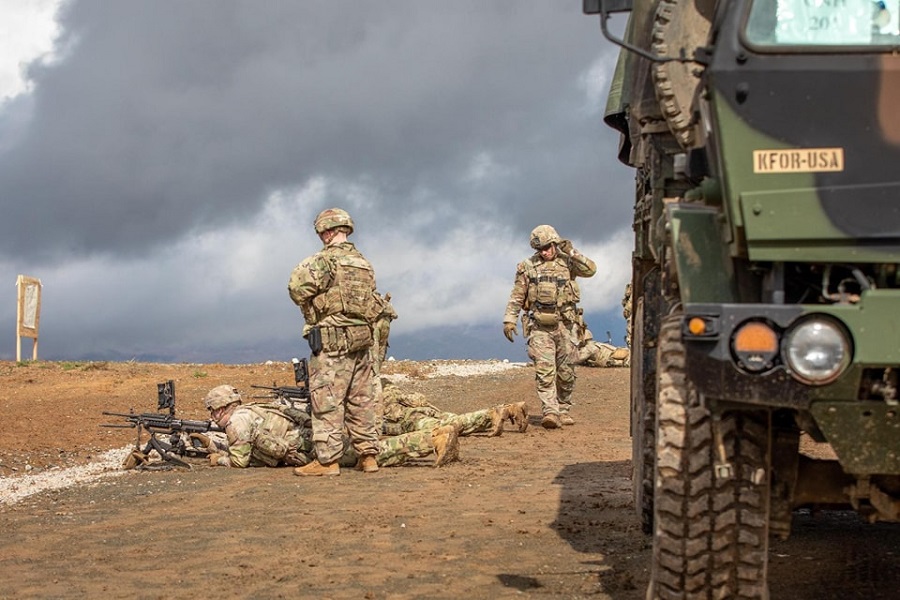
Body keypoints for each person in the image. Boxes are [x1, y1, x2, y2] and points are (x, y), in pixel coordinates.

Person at [287, 207, 384, 476]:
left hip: (333, 342)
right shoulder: (364, 264)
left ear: (326, 231)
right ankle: (368, 456)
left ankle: (328, 461)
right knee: (361, 400)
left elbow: (296, 289)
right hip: (362, 342)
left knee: (326, 400)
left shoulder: (322, 262)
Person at [202, 385, 460, 472]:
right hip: (313, 437)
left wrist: (218, 458)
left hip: (313, 448)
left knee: (376, 452)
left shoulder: (237, 422)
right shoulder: (253, 409)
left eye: (213, 411)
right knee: (369, 449)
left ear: (222, 407)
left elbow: (240, 461)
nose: (213, 417)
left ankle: (433, 439)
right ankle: (435, 436)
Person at [503, 225, 596, 429]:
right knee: (545, 371)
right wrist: (509, 319)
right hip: (539, 327)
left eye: (547, 247)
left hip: (566, 325)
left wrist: (571, 251)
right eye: (540, 249)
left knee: (566, 372)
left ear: (554, 244)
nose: (544, 252)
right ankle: (550, 412)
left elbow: (591, 270)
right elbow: (517, 295)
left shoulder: (568, 262)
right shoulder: (527, 267)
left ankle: (563, 409)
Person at [380, 381, 528, 437]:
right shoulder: (384, 385)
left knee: (455, 425)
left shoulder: (370, 392)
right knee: (458, 420)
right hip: (424, 410)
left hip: (409, 419)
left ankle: (494, 414)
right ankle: (509, 410)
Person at [372, 291, 398, 371]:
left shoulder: (372, 304)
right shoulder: (386, 304)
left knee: (374, 346)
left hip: (376, 326)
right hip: (386, 325)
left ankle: (374, 371)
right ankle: (378, 370)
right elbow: (395, 316)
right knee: (382, 347)